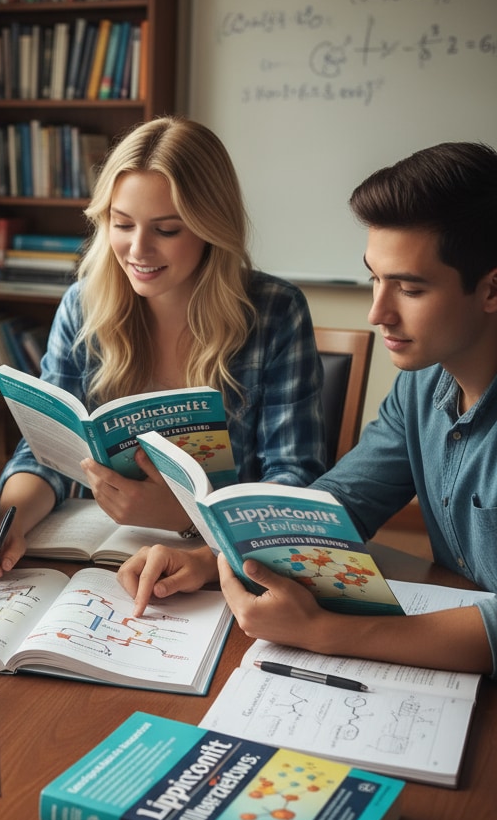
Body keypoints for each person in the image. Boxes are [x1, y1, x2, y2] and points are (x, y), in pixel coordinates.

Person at [120, 141, 497, 676]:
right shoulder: (421, 384)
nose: (377, 312)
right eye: (375, 278)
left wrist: (326, 632)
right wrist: (211, 559)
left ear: (491, 288)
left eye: (410, 289)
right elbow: (345, 501)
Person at [0, 115, 326, 580]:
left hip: (229, 570)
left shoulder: (275, 312)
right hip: (98, 562)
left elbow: (294, 481)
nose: (138, 249)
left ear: (211, 227)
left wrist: (185, 517)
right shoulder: (84, 305)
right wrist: (8, 523)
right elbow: (45, 454)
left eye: (166, 230)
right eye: (122, 223)